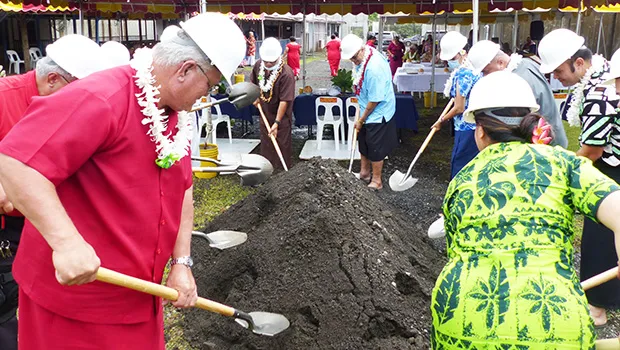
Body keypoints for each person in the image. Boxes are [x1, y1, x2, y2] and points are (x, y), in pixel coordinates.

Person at [0, 13, 246, 349]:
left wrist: (182, 263)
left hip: (137, 298)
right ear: (186, 70)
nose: (207, 95)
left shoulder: (176, 115)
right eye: (211, 85)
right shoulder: (102, 97)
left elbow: (183, 189)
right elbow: (16, 162)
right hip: (74, 303)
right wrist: (67, 243)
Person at [432, 70, 620, 349]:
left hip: (459, 320)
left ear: (480, 131)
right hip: (554, 319)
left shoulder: (462, 179)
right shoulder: (564, 164)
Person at [0, 34, 105, 350]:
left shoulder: (75, 107)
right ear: (53, 79)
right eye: (78, 90)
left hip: (45, 221)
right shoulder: (5, 98)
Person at [539, 28, 620, 326]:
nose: (556, 77)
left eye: (559, 70)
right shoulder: (599, 79)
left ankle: (598, 307)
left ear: (580, 63)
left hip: (612, 167)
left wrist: (561, 170)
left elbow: (592, 150)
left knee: (600, 235)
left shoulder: (600, 91)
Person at [467, 39, 569, 148]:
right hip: (550, 138)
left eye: (486, 71)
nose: (485, 76)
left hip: (543, 145)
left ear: (500, 63)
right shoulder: (527, 63)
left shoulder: (517, 80)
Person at [340, 34, 397, 190]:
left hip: (378, 111)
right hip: (366, 105)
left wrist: (361, 119)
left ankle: (377, 181)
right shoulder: (365, 54)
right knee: (363, 142)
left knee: (375, 146)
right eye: (350, 58)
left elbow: (375, 99)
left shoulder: (374, 68)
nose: (353, 61)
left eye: (354, 57)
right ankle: (364, 173)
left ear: (362, 49)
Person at [432, 31, 481, 180]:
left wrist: (441, 120)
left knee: (461, 165)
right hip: (477, 125)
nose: (450, 62)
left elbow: (459, 107)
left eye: (452, 58)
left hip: (466, 126)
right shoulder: (475, 68)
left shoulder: (463, 74)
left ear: (462, 52)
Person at [251, 37, 295, 170]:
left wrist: (276, 123)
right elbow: (253, 83)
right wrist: (254, 96)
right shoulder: (259, 65)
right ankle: (267, 170)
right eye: (266, 61)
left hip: (281, 117)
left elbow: (285, 100)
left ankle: (282, 173)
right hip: (264, 111)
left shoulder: (286, 73)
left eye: (271, 61)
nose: (268, 64)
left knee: (281, 143)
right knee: (266, 143)